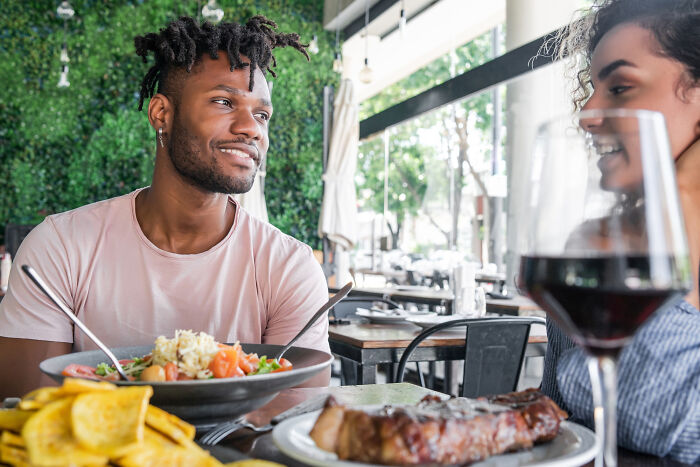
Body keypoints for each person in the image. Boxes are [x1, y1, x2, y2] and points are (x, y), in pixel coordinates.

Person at [0, 15, 331, 398]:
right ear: (161, 114)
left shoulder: (289, 267)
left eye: (262, 115)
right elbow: (29, 413)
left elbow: (294, 423)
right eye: (224, 102)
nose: (252, 128)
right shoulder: (60, 247)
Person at [541, 0, 700, 463]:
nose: (587, 114)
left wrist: (685, 198)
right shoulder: (596, 246)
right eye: (592, 89)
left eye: (621, 86)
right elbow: (564, 421)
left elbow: (663, 421)